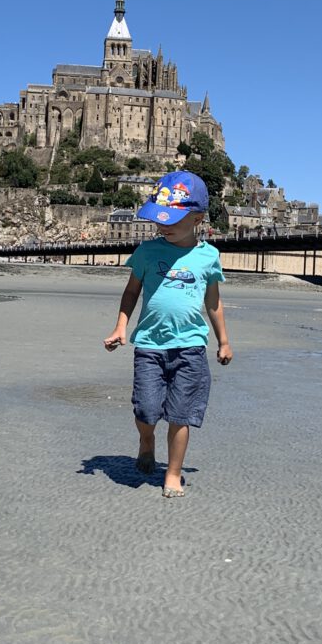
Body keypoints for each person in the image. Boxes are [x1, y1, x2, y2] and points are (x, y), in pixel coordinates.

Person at [103, 171, 232, 498]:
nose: (163, 225)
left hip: (190, 349)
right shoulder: (147, 252)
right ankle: (147, 440)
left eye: (172, 219)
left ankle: (173, 473)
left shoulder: (208, 257)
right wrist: (121, 326)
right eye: (159, 218)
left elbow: (213, 301)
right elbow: (131, 293)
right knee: (146, 409)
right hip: (148, 345)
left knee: (181, 414)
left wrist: (224, 341)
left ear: (198, 218)